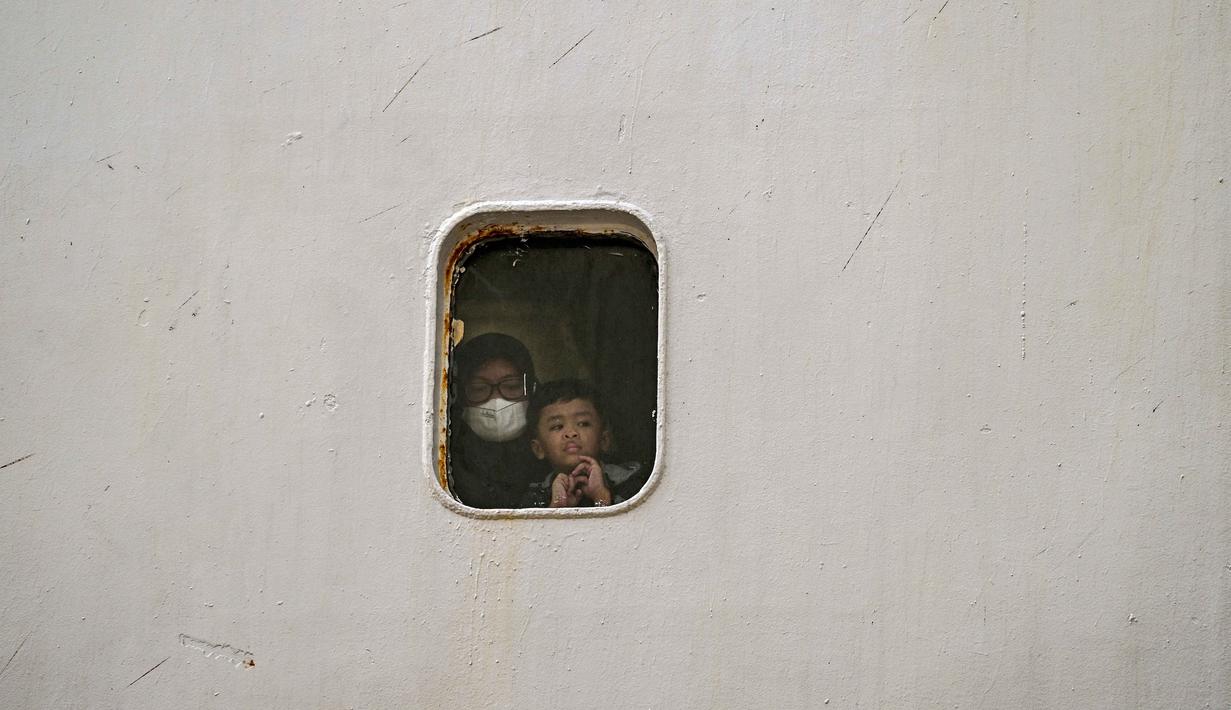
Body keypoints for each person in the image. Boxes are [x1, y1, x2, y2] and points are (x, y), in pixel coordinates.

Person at [447, 332, 540, 508]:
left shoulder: (556, 454)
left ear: (531, 389)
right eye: (479, 388)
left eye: (511, 386)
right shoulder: (448, 461)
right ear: (460, 396)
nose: (497, 401)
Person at [522, 379, 646, 508]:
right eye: (557, 426)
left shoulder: (630, 483)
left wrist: (601, 498)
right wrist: (557, 507)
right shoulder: (536, 495)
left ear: (604, 440)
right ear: (538, 449)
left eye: (583, 423)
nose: (571, 433)